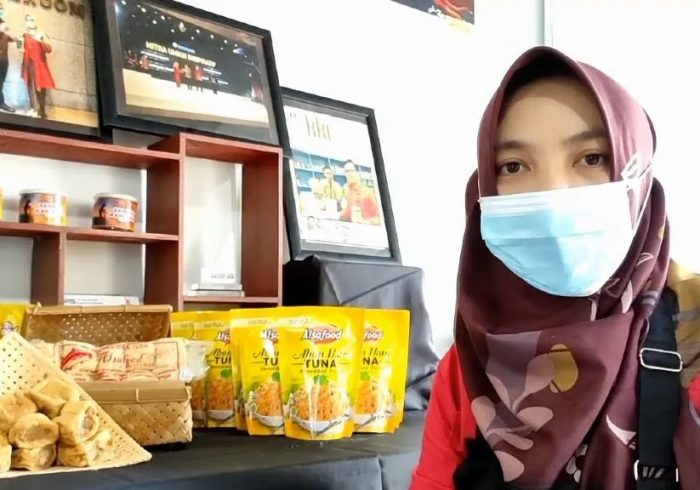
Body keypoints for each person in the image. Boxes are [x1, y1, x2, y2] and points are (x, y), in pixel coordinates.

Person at [410, 46, 700, 489]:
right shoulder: (470, 364)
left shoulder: (693, 334)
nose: (553, 194)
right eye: (513, 166)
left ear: (638, 176)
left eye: (591, 158)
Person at [22, 14, 54, 119]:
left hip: (39, 65)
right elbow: (21, 48)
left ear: (35, 21)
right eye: (27, 20)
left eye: (31, 20)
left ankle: (42, 110)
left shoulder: (41, 34)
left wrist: (41, 40)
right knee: (30, 87)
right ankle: (33, 108)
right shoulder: (25, 35)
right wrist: (20, 45)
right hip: (28, 64)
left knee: (40, 88)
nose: (29, 22)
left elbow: (49, 49)